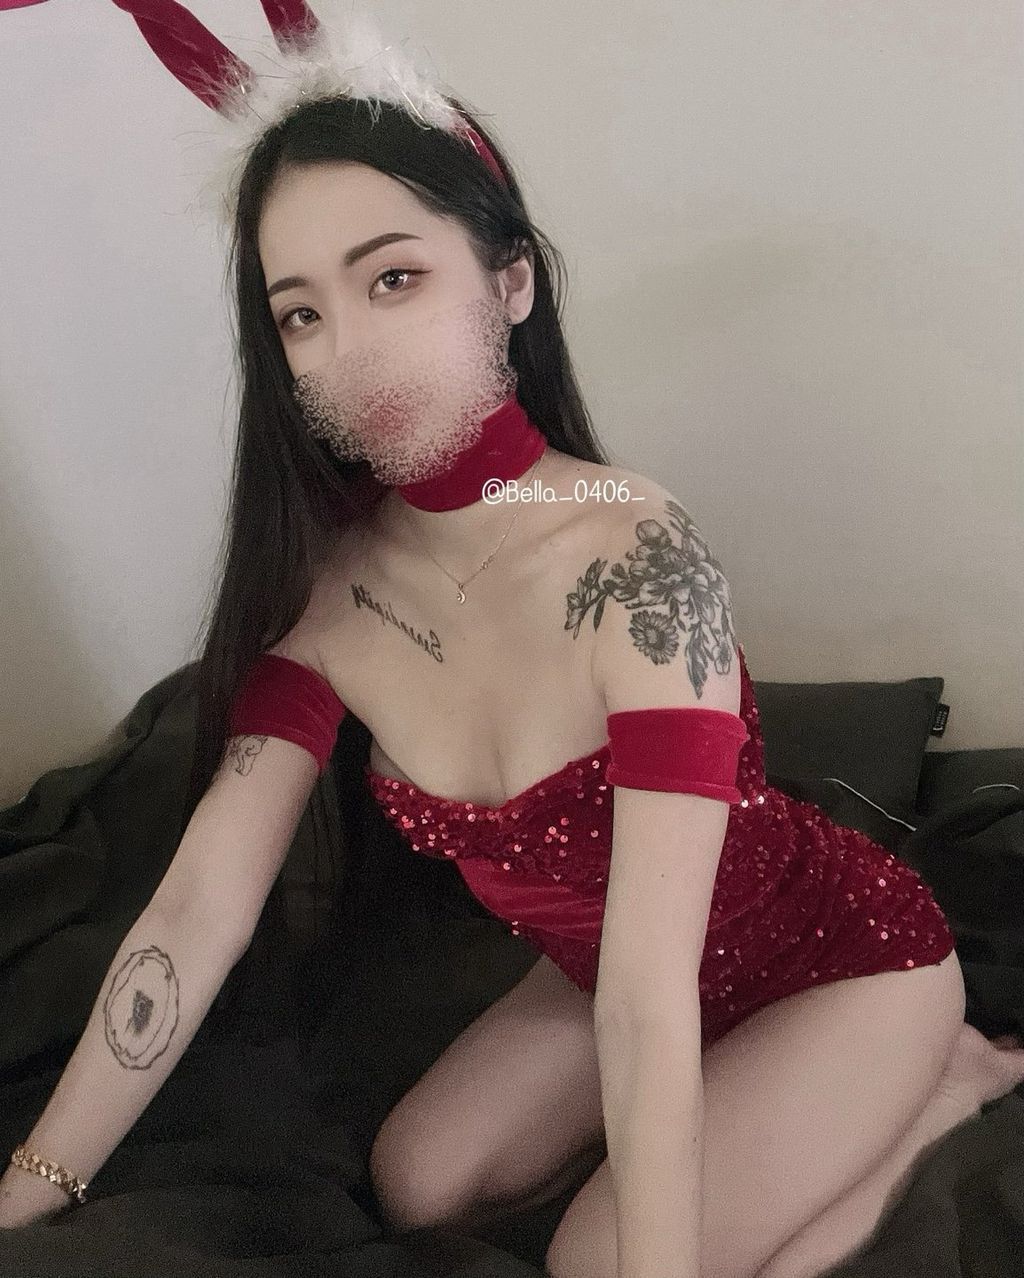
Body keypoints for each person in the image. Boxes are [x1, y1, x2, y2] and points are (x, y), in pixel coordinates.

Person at [4, 5, 1024, 1276]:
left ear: (510, 283)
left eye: (393, 279)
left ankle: (942, 1085)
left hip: (837, 968)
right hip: (603, 975)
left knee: (600, 1263)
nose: (352, 350)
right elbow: (200, 905)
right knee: (419, 1179)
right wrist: (36, 1183)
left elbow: (649, 993)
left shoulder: (640, 559)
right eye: (300, 314)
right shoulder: (327, 598)